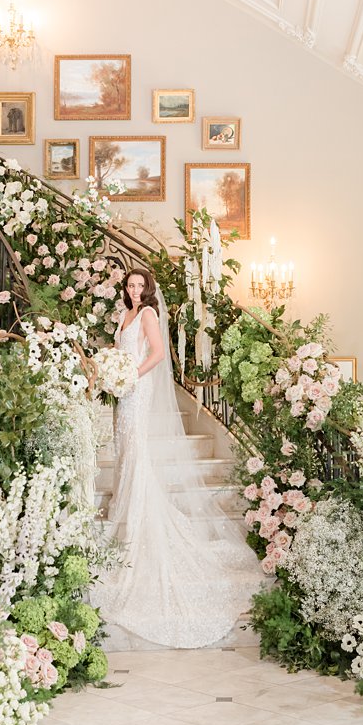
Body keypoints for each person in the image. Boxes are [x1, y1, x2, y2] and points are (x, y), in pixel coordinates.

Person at [91, 267, 260, 649]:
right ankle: (126, 515)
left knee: (135, 449)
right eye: (130, 286)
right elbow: (120, 351)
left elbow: (156, 354)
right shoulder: (123, 315)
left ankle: (135, 525)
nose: (134, 291)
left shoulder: (148, 314)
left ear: (148, 290)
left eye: (139, 286)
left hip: (139, 389)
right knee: (124, 451)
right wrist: (113, 372)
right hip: (124, 391)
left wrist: (130, 375)